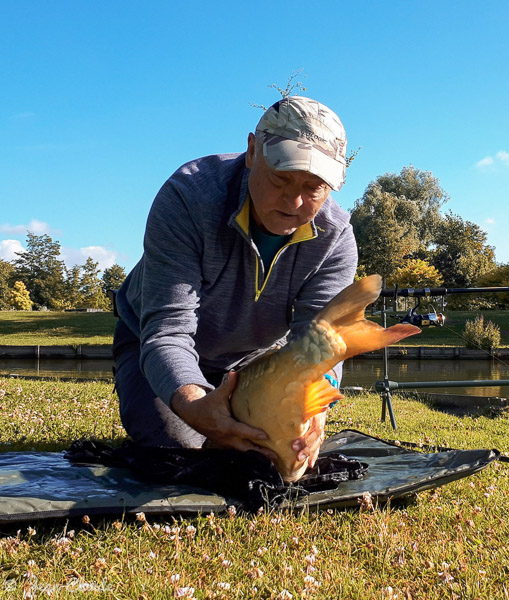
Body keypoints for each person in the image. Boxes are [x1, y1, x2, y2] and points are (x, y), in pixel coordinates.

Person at [113, 96, 357, 472]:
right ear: (252, 151)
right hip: (153, 339)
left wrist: (315, 403)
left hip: (254, 359)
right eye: (281, 177)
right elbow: (168, 332)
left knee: (268, 454)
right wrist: (194, 403)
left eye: (314, 188)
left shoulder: (336, 238)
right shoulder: (189, 197)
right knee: (177, 446)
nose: (293, 201)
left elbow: (316, 345)